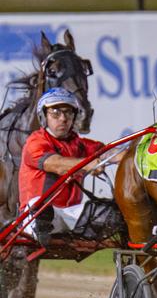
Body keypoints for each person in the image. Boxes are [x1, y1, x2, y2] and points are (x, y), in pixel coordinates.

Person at [19, 87, 114, 246]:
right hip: (39, 214)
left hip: (72, 216)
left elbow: (112, 154)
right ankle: (42, 230)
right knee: (41, 208)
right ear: (44, 116)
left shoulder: (81, 145)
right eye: (55, 113)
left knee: (115, 213)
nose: (63, 118)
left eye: (68, 113)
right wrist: (88, 164)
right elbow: (56, 164)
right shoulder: (35, 142)